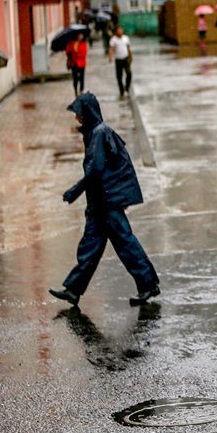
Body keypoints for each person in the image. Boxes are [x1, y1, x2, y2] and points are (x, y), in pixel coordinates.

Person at [50, 92, 160, 307]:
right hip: (101, 202)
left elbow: (95, 171)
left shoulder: (99, 134)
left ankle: (148, 284)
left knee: (125, 243)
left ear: (87, 113)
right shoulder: (96, 133)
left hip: (107, 203)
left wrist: (74, 191)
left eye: (79, 113)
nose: (76, 118)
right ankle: (73, 289)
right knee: (90, 246)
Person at [108, 26, 133, 97]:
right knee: (119, 76)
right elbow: (111, 49)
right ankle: (121, 90)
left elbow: (128, 48)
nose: (120, 32)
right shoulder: (113, 40)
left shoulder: (126, 38)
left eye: (121, 30)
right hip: (118, 60)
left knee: (129, 73)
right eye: (118, 30)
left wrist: (130, 56)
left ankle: (127, 87)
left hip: (125, 58)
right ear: (116, 32)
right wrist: (110, 56)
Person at [65, 32, 89, 98]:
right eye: (79, 35)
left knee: (82, 77)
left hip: (81, 63)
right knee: (75, 78)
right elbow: (67, 52)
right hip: (74, 63)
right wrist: (72, 50)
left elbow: (84, 54)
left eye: (82, 35)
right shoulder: (72, 43)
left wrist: (76, 52)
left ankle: (81, 90)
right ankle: (75, 90)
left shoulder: (84, 44)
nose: (80, 36)